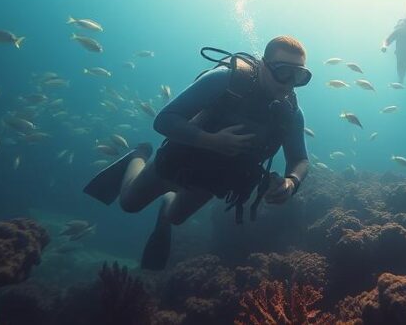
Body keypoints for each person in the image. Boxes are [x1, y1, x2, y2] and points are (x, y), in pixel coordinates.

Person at [83, 36, 311, 270]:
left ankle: (165, 209)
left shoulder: (291, 113)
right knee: (129, 204)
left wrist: (291, 182)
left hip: (216, 179)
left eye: (300, 76)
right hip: (179, 159)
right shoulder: (225, 80)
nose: (289, 83)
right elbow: (164, 120)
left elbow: (299, 159)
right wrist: (212, 141)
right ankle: (138, 155)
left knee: (175, 218)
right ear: (264, 64)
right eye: (283, 71)